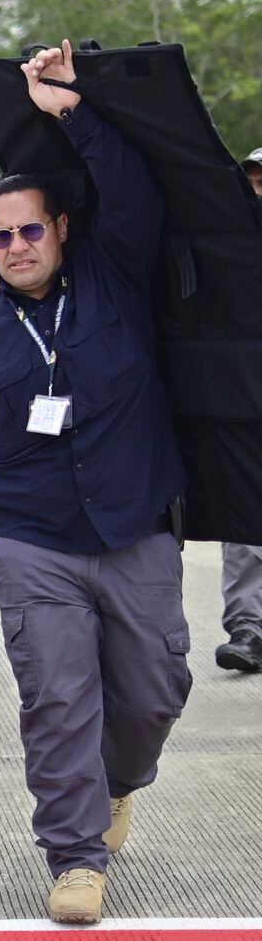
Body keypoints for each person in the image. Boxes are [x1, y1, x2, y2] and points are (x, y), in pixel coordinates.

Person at [0, 42, 190, 925]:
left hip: (134, 524)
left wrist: (67, 108)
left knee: (155, 687)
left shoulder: (114, 281)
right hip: (33, 538)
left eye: (30, 229)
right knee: (58, 697)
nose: (15, 247)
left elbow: (138, 196)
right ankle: (74, 856)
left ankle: (120, 783)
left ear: (61, 229)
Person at [213, 147, 262, 673]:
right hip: (245, 401)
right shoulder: (228, 249)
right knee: (246, 522)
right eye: (253, 182)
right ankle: (248, 629)